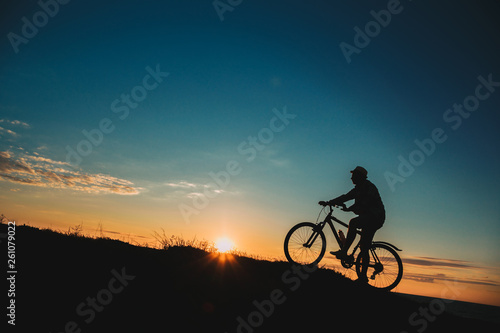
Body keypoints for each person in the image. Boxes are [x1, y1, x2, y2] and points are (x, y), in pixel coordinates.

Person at [319, 166, 385, 283]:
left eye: (353, 176)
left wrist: (349, 209)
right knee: (363, 246)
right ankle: (362, 276)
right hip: (368, 217)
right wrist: (329, 202)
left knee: (354, 224)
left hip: (375, 217)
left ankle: (345, 252)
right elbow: (345, 197)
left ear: (359, 177)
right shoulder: (358, 188)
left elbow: (364, 204)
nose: (351, 178)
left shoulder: (369, 188)